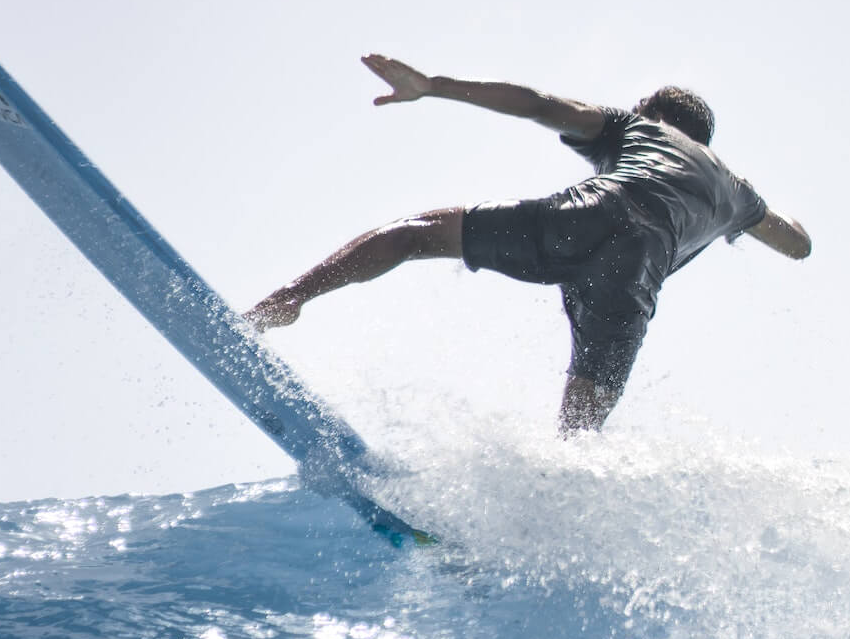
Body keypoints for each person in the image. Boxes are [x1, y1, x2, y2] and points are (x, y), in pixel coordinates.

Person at [246, 54, 811, 434]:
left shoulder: (641, 127)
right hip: (638, 277)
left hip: (596, 214)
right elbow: (798, 244)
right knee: (582, 424)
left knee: (413, 235)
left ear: (657, 115)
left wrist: (434, 87)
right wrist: (751, 210)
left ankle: (285, 301)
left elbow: (541, 105)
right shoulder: (736, 191)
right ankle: (546, 520)